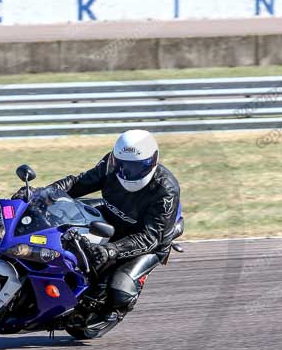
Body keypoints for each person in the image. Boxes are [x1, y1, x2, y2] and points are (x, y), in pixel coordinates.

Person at [36, 129, 181, 328]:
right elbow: (78, 183)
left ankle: (113, 311)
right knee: (63, 231)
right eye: (123, 165)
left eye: (137, 167)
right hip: (111, 217)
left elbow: (151, 237)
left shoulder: (165, 190)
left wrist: (112, 250)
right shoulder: (110, 165)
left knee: (118, 288)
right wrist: (41, 194)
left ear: (152, 161)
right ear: (116, 160)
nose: (128, 172)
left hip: (147, 240)